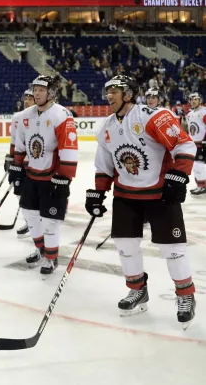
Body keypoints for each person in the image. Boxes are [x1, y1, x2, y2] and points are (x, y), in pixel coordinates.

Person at [86, 75, 197, 328]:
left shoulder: (153, 116)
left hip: (160, 194)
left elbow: (184, 143)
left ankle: (186, 296)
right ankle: (138, 289)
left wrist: (178, 176)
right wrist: (97, 193)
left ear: (128, 94)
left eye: (114, 90)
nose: (109, 95)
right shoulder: (105, 128)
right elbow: (104, 166)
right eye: (107, 91)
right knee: (125, 245)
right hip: (125, 195)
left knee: (172, 249)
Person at [9, 75, 79, 275]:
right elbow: (20, 143)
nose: (36, 93)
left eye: (41, 90)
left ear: (51, 93)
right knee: (30, 214)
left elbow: (69, 146)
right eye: (35, 89)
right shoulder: (25, 116)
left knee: (50, 220)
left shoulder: (61, 115)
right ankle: (40, 249)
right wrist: (16, 165)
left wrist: (65, 176)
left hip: (53, 177)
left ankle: (51, 257)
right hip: (32, 175)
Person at [6, 88, 36, 238]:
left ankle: (36, 223)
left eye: (30, 99)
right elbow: (14, 140)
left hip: (38, 164)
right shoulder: (17, 117)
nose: (26, 101)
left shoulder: (42, 116)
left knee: (36, 195)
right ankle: (29, 221)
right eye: (25, 99)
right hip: (21, 162)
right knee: (18, 191)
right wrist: (10, 158)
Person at [185, 92, 206, 195]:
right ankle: (201, 185)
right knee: (197, 165)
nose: (193, 101)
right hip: (194, 144)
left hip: (203, 143)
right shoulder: (189, 114)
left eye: (195, 99)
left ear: (200, 100)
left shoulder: (204, 112)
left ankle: (202, 186)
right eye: (191, 99)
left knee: (199, 165)